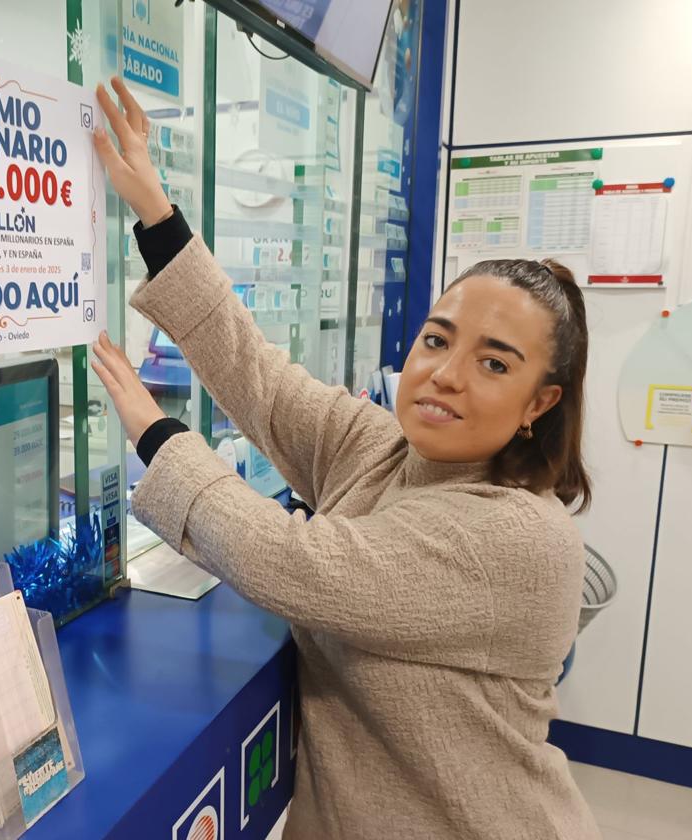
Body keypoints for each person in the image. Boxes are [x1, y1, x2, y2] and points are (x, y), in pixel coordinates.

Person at [90, 76, 602, 840]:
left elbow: (298, 564)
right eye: (437, 339)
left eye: (495, 364)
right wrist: (156, 215)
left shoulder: (523, 540)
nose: (446, 374)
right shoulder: (384, 450)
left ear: (540, 403)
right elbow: (259, 379)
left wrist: (157, 436)